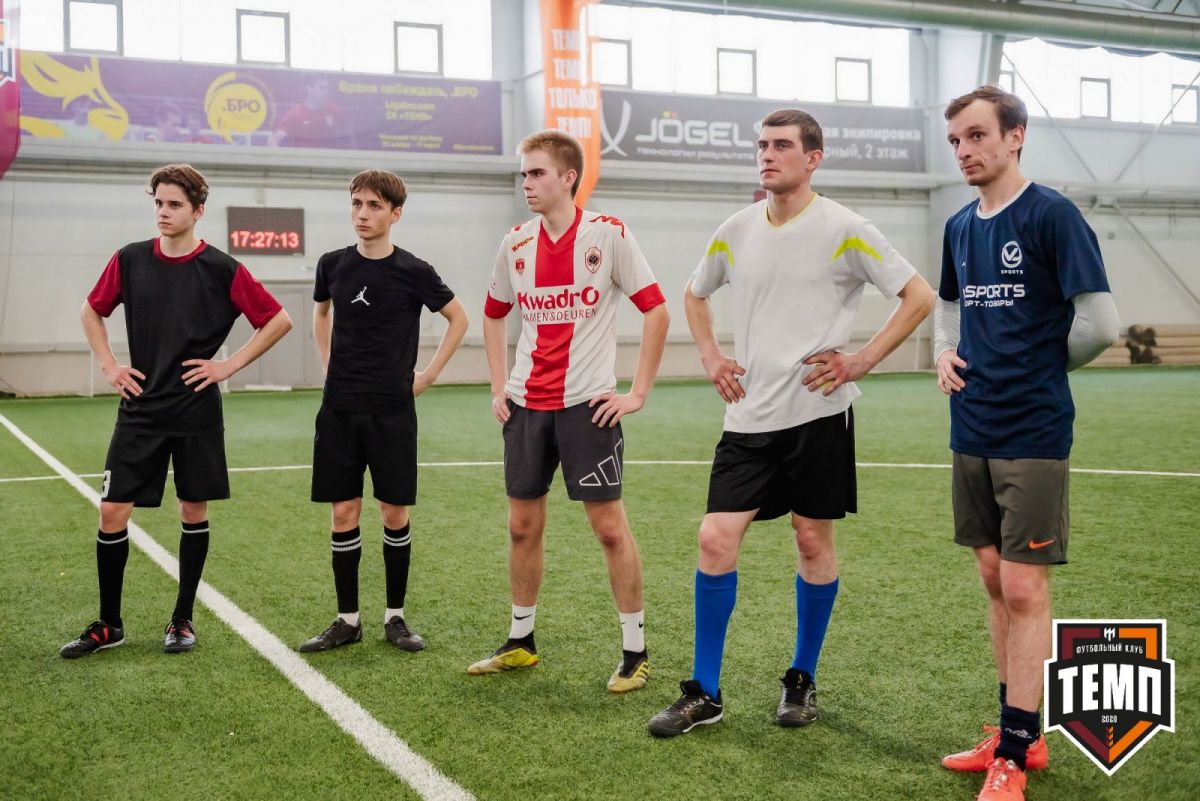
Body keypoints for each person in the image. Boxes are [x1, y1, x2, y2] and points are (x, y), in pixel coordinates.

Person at [647, 108, 934, 737]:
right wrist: (710, 355)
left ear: (813, 157)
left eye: (781, 145)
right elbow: (694, 293)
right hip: (748, 416)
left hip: (817, 415)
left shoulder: (847, 229)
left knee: (811, 540)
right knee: (714, 539)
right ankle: (705, 692)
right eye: (762, 145)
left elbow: (918, 296)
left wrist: (862, 360)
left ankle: (801, 677)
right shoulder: (735, 229)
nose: (768, 155)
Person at [935, 86, 1119, 801]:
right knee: (991, 577)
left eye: (977, 135)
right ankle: (1021, 729)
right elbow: (950, 303)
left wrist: (1040, 366)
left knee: (1022, 584)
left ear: (1015, 136)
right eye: (955, 140)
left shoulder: (1052, 214)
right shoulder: (958, 225)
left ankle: (1014, 750)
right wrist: (944, 350)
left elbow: (1100, 323)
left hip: (1032, 427)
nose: (964, 150)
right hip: (970, 425)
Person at [60, 163, 293, 658]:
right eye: (158, 203)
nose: (163, 213)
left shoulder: (222, 269)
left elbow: (278, 320)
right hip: (140, 409)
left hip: (195, 411)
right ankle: (109, 624)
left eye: (174, 205)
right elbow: (91, 310)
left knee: (192, 509)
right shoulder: (130, 259)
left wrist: (228, 365)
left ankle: (182, 619)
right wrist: (109, 366)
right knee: (111, 511)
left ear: (198, 211)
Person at [473, 129, 669, 693]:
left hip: (588, 408)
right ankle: (520, 641)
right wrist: (499, 385)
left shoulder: (608, 235)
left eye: (536, 173)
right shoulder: (515, 243)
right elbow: (493, 313)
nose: (526, 183)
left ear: (568, 177)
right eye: (523, 174)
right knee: (521, 525)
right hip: (526, 407)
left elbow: (656, 312)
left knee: (609, 529)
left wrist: (636, 393)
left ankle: (635, 651)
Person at [298, 170, 468, 653]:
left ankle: (395, 617)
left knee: (393, 512)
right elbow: (321, 312)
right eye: (356, 204)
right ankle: (347, 620)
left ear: (395, 214)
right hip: (339, 409)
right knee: (343, 511)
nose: (362, 214)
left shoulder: (414, 270)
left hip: (392, 410)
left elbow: (458, 318)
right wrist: (328, 365)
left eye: (374, 206)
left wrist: (428, 375)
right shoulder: (332, 264)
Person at [274, 76, 355, 149]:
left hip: (329, 159)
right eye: (322, 88)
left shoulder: (336, 111)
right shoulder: (295, 114)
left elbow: (350, 138)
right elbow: (275, 140)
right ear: (309, 89)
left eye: (327, 88)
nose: (326, 92)